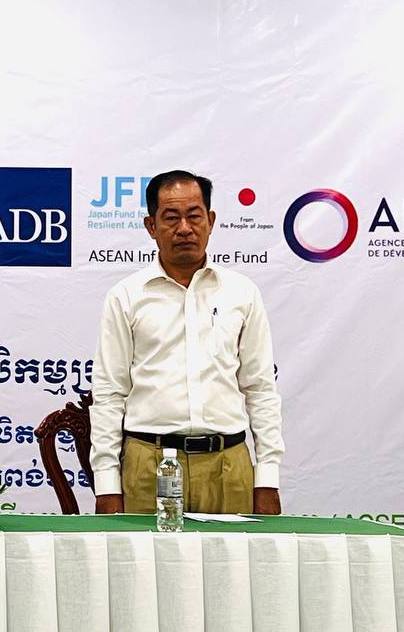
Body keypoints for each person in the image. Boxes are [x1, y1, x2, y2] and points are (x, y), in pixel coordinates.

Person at [90, 170, 283, 516]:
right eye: (171, 218)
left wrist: (267, 478)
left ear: (211, 221)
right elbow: (109, 394)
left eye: (194, 216)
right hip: (147, 466)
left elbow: (260, 388)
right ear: (151, 226)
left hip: (229, 467)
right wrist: (106, 484)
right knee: (144, 556)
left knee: (233, 556)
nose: (184, 228)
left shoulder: (242, 293)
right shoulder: (126, 296)